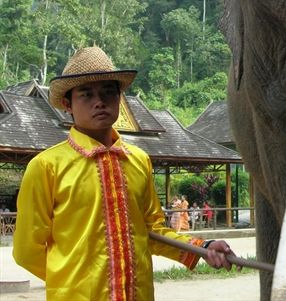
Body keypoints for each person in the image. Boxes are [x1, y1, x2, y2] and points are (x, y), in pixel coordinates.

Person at [13, 47, 236, 301]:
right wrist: (72, 281)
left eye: (109, 92)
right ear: (67, 104)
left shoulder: (139, 161)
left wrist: (203, 248)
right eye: (86, 94)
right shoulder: (46, 167)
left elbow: (152, 232)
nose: (100, 101)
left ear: (120, 98)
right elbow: (26, 251)